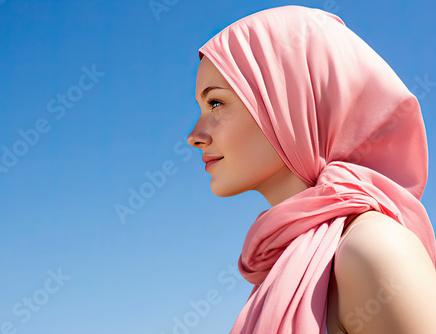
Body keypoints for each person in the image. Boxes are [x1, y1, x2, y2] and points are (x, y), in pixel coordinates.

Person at [187, 5, 436, 334]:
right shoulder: (289, 263)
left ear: (289, 102)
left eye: (216, 103)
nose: (194, 137)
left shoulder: (371, 248)